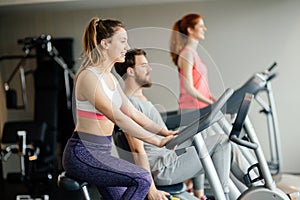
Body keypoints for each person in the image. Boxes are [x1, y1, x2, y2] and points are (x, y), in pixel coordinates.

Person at [62, 17, 176, 200]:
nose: (127, 46)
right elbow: (121, 119)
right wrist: (156, 141)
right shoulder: (89, 77)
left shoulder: (111, 79)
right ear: (105, 44)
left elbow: (132, 112)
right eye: (122, 41)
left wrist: (165, 132)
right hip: (83, 154)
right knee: (143, 178)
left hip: (101, 154)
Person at [114, 48, 232, 200]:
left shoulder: (141, 100)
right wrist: (151, 190)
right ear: (130, 71)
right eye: (144, 65)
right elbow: (137, 150)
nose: (149, 69)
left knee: (222, 141)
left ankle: (253, 188)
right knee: (221, 142)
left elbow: (160, 134)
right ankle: (225, 197)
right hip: (161, 168)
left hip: (166, 158)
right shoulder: (130, 104)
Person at [169, 13, 216, 199]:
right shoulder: (187, 54)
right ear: (190, 29)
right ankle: (199, 194)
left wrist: (212, 97)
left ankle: (191, 188)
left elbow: (199, 84)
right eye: (201, 26)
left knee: (201, 150)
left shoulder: (193, 53)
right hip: (192, 110)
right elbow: (188, 87)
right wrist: (209, 102)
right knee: (200, 153)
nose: (204, 29)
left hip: (200, 108)